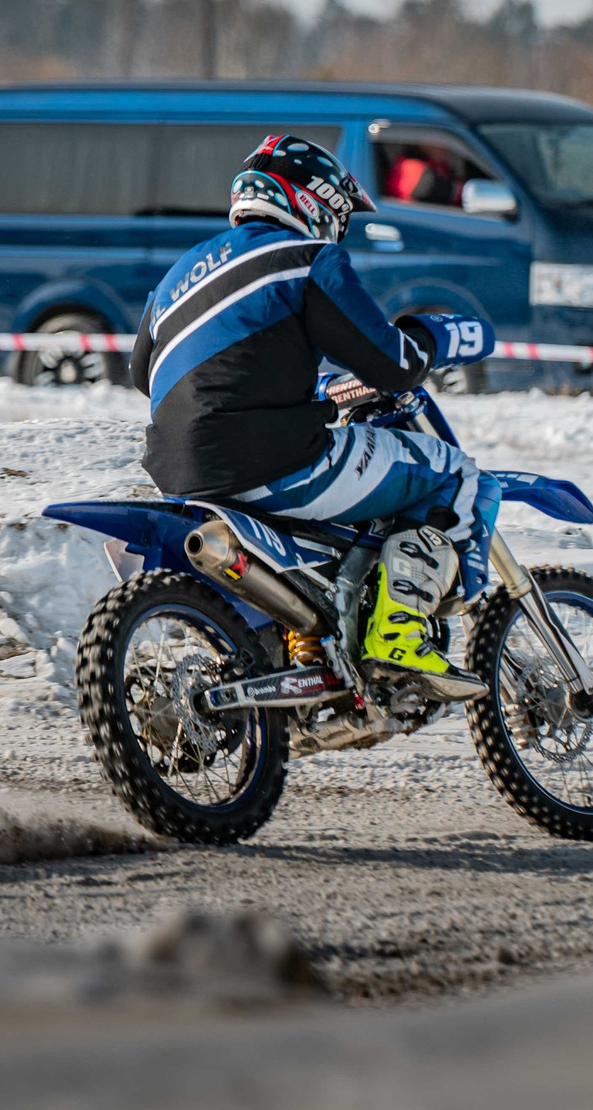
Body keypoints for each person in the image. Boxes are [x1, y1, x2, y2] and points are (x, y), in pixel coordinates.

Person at [129, 135, 501, 699]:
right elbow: (395, 364)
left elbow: (142, 373)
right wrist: (441, 334)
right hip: (268, 459)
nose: (340, 227)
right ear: (315, 200)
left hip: (175, 470)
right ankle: (397, 633)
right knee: (452, 474)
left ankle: (310, 637)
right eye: (341, 213)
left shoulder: (176, 278)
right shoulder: (309, 259)